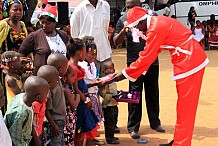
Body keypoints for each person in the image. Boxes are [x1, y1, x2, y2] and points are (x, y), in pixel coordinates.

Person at [113, 6, 209, 146]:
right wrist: (136, 71)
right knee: (182, 107)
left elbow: (145, 58)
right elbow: (152, 53)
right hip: (187, 61)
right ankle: (179, 140)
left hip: (190, 63)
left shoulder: (154, 28)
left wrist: (121, 75)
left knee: (186, 109)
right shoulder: (156, 22)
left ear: (141, 22)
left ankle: (181, 144)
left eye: (136, 27)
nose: (138, 31)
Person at [113, 0, 165, 139]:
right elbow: (115, 42)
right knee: (134, 94)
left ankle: (155, 122)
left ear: (140, 6)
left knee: (153, 92)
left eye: (132, 6)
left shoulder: (151, 17)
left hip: (152, 62)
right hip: (134, 63)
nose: (129, 9)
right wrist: (124, 30)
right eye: (127, 6)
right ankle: (133, 127)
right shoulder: (122, 19)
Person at [19, 4, 68, 75]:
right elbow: (21, 53)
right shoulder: (34, 36)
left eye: (48, 23)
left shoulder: (63, 36)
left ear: (55, 23)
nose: (44, 26)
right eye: (42, 23)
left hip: (60, 78)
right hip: (42, 79)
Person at [67, 38, 99, 146]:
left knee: (85, 129)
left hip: (82, 101)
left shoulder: (75, 66)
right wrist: (86, 100)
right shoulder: (72, 68)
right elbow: (76, 89)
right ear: (79, 53)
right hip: (80, 103)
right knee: (80, 131)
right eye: (85, 52)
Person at [4, 76, 50, 146]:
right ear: (38, 97)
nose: (47, 97)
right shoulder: (20, 113)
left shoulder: (22, 97)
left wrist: (35, 139)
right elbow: (15, 138)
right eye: (46, 94)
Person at [70, 0, 112, 72]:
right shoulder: (79, 9)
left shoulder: (106, 6)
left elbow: (105, 29)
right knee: (90, 82)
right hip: (87, 57)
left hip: (105, 54)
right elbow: (74, 36)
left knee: (107, 81)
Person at [78, 36, 105, 145]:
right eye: (91, 54)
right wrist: (94, 83)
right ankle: (88, 142)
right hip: (86, 97)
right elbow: (82, 84)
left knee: (94, 120)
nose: (94, 56)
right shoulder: (81, 65)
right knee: (88, 122)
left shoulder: (93, 64)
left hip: (94, 95)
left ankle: (92, 140)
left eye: (95, 54)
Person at [45, 53, 68, 146]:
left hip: (60, 119)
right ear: (60, 69)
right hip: (55, 121)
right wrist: (53, 125)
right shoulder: (50, 86)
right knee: (56, 143)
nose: (67, 69)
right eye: (66, 67)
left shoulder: (58, 81)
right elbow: (47, 109)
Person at [34, 65, 59, 145]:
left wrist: (42, 133)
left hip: (39, 133)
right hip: (35, 136)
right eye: (56, 81)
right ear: (49, 83)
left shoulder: (43, 95)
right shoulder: (39, 99)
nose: (58, 83)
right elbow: (33, 121)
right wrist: (36, 138)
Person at [99, 60, 120, 144]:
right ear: (103, 71)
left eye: (110, 68)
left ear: (114, 70)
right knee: (109, 122)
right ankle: (109, 138)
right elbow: (102, 93)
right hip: (108, 105)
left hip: (114, 104)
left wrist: (118, 93)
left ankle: (112, 136)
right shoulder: (104, 81)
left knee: (114, 120)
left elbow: (114, 90)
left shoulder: (113, 80)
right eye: (106, 69)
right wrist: (111, 97)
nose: (109, 70)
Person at [61, 66, 80, 146]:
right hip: (68, 121)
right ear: (64, 78)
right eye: (72, 76)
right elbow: (74, 105)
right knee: (68, 140)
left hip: (67, 119)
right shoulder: (66, 91)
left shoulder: (62, 89)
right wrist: (78, 96)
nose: (74, 78)